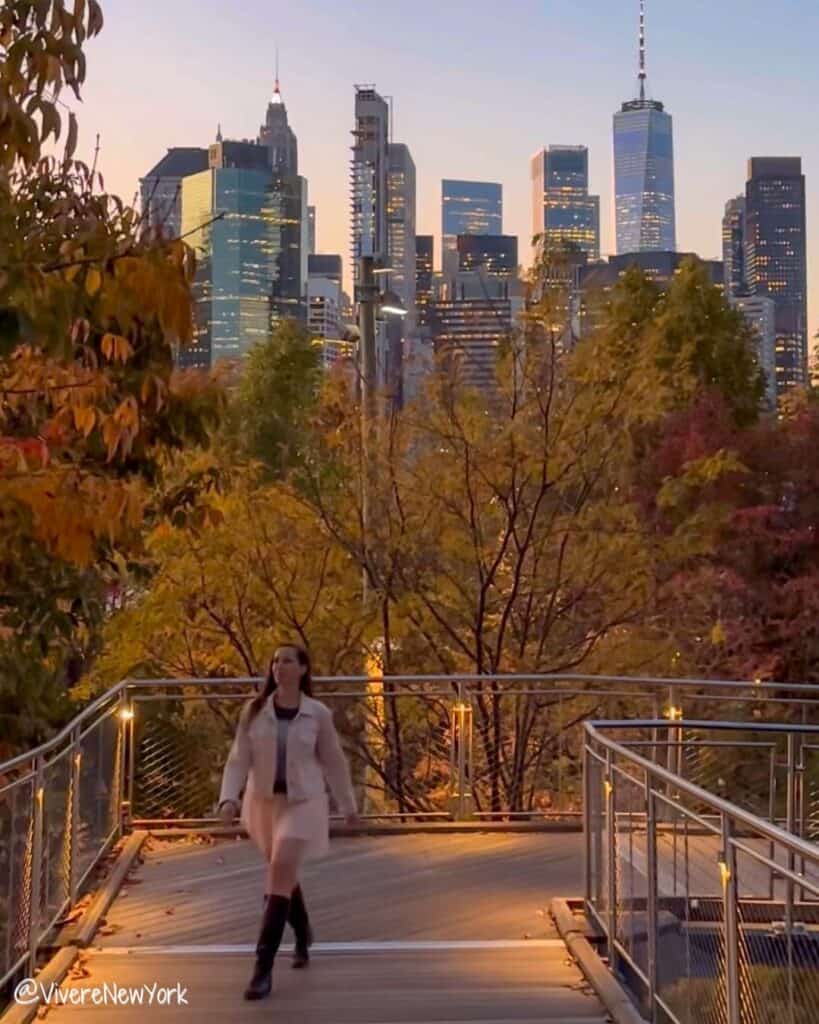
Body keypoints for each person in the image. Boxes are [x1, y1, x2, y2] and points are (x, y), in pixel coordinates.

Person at [216, 643, 358, 1000]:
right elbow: (238, 760)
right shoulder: (254, 711)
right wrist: (228, 798)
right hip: (264, 803)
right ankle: (303, 928)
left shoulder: (318, 714)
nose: (280, 667)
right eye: (276, 661)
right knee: (282, 872)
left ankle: (262, 970)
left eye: (288, 661)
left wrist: (348, 804)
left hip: (304, 802)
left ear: (304, 669)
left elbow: (333, 761)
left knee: (279, 868)